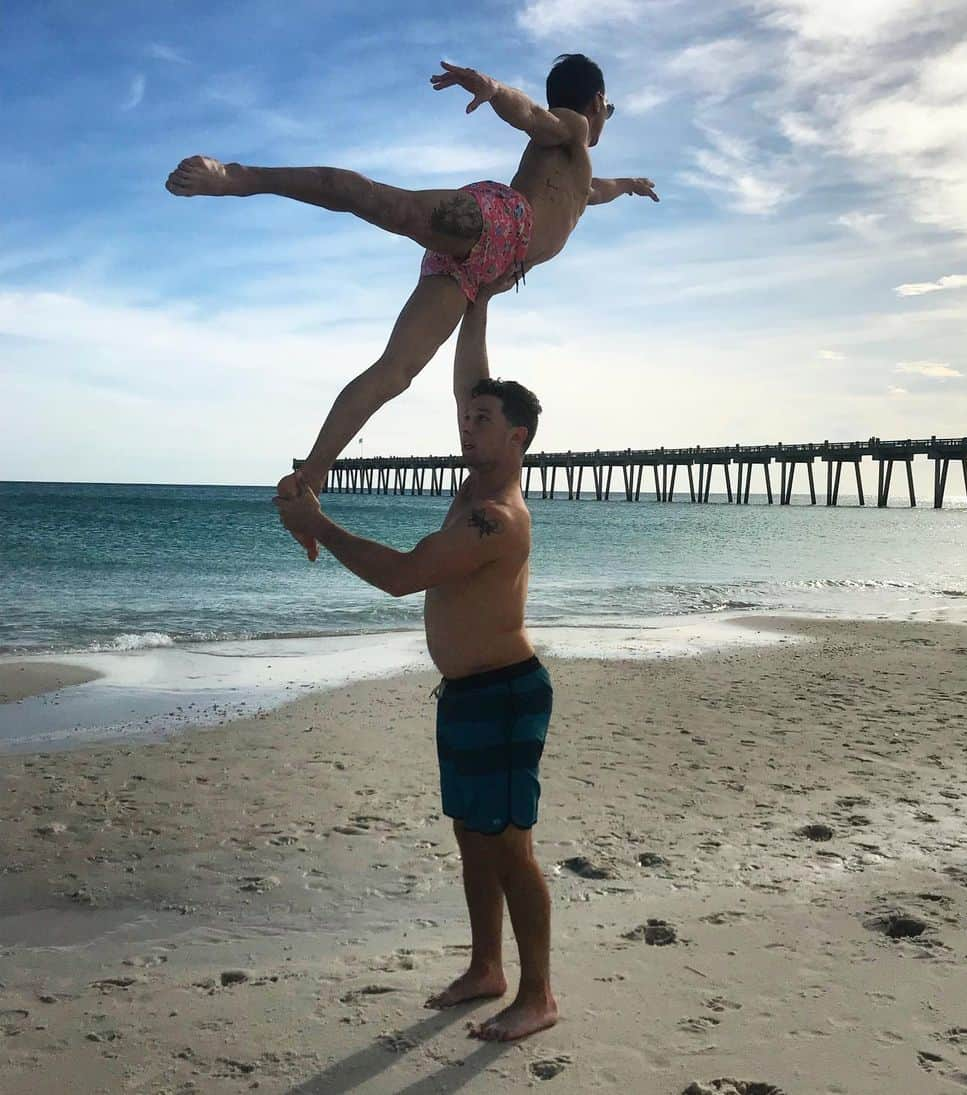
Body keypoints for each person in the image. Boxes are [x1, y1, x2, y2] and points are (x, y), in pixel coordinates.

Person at [167, 53, 658, 556]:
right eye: (609, 109)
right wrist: (494, 90)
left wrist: (632, 187)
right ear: (597, 102)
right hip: (495, 223)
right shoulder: (573, 127)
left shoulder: (579, 173)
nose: (604, 118)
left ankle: (311, 476)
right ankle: (237, 176)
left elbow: (598, 190)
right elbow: (534, 116)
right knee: (388, 204)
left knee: (395, 372)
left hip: (478, 271)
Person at [273, 281, 557, 1042]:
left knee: (511, 847)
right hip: (466, 692)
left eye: (483, 421)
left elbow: (402, 576)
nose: (466, 426)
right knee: (471, 834)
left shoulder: (494, 517)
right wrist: (478, 301)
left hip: (505, 693)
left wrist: (317, 522)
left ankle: (538, 993)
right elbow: (471, 375)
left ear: (518, 437)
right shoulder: (479, 474)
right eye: (465, 418)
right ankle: (485, 967)